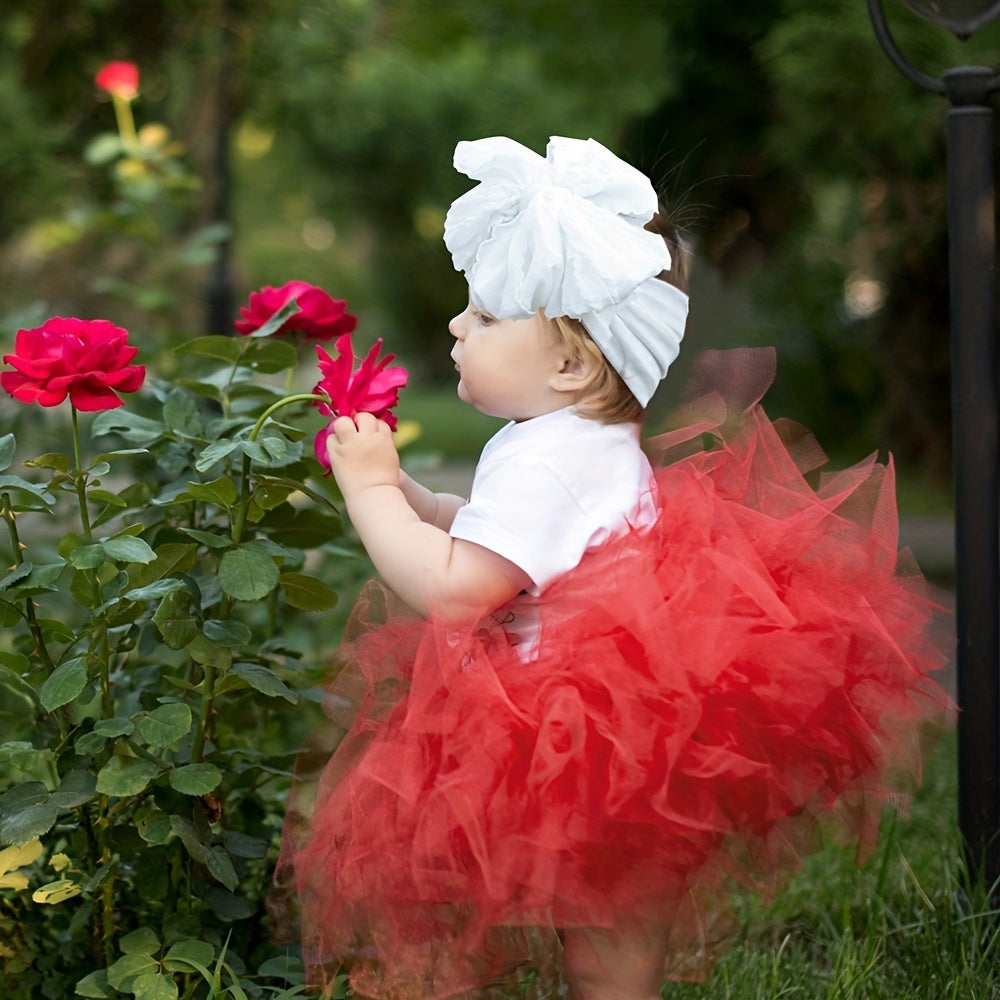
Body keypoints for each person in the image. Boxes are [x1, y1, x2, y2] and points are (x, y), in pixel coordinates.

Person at [275, 136, 953, 1000]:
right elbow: (500, 541)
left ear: (569, 361)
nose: (456, 325)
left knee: (595, 937)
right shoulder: (558, 441)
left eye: (484, 317)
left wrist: (370, 495)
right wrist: (412, 495)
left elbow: (458, 588)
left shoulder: (551, 458)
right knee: (611, 937)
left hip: (583, 744)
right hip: (623, 738)